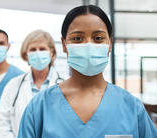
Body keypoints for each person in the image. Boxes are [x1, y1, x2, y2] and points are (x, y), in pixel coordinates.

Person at [17, 5, 157, 138]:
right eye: (77, 38)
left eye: (98, 38)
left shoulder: (132, 108)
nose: (88, 45)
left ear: (109, 44)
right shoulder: (40, 108)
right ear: (64, 45)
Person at [0, 30, 64, 138]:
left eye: (42, 49)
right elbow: (2, 126)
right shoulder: (13, 85)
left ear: (51, 53)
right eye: (33, 49)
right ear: (26, 55)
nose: (38, 53)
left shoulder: (65, 85)